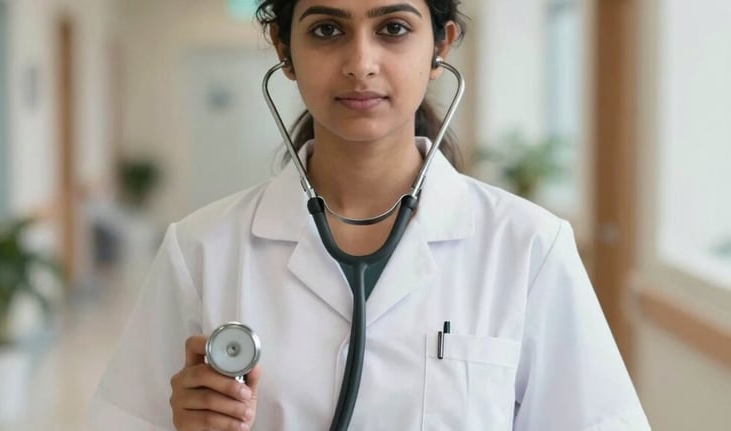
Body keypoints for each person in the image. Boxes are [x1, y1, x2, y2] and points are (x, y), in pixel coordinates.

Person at [89, 0, 651, 430]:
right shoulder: (201, 247)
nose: (360, 63)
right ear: (283, 49)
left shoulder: (528, 246)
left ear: (441, 45)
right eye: (327, 30)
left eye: (394, 28)